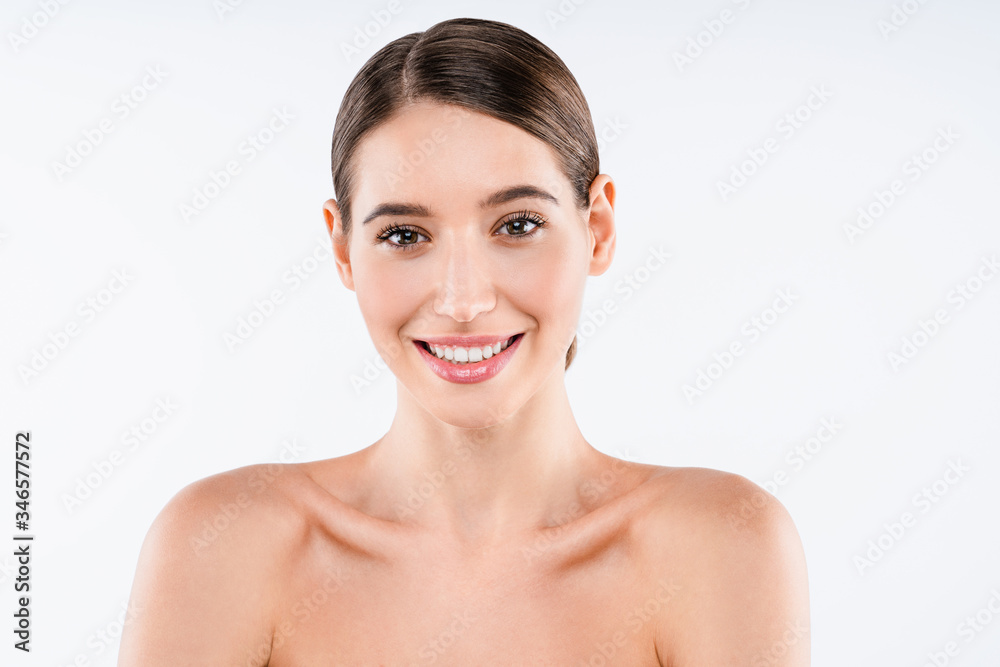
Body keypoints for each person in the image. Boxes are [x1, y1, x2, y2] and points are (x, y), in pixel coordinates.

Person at [118, 17, 809, 666]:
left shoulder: (722, 544)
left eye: (516, 225)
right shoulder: (223, 546)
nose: (463, 300)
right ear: (342, 248)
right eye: (404, 235)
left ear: (597, 227)